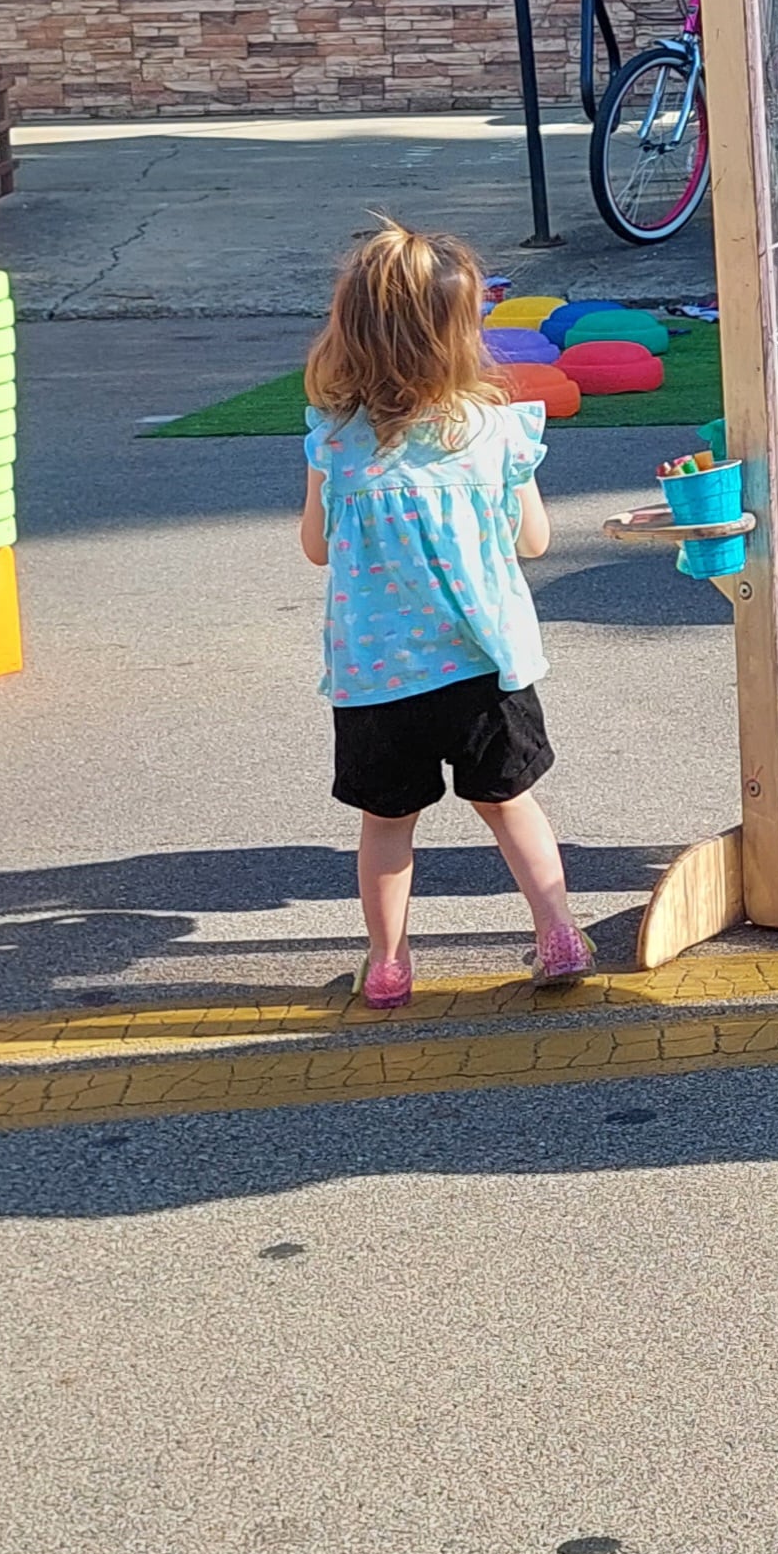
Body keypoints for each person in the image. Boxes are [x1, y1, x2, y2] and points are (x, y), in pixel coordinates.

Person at [299, 219, 592, 1011]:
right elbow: (534, 540)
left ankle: (388, 963)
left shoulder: (335, 440)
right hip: (481, 665)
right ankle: (557, 930)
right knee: (508, 804)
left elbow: (316, 547)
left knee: (386, 824)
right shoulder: (495, 432)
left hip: (376, 676)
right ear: (461, 335)